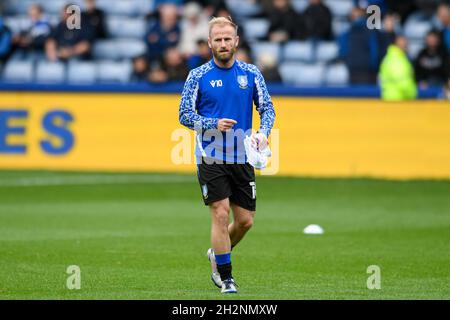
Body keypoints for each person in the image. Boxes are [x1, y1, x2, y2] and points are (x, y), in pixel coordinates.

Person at [178, 16, 275, 294]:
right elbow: (184, 115)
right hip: (210, 156)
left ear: (236, 41)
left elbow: (267, 108)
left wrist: (263, 132)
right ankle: (226, 276)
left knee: (245, 221)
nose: (223, 43)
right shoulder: (197, 76)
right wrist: (212, 124)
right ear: (209, 42)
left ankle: (217, 254)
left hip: (242, 157)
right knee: (220, 214)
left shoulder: (251, 73)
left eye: (227, 39)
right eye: (217, 39)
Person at [379, 35, 417, 101]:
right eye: (403, 44)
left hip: (393, 99)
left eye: (406, 44)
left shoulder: (397, 57)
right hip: (396, 100)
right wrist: (413, 94)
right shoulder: (395, 59)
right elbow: (403, 82)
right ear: (396, 44)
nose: (405, 46)